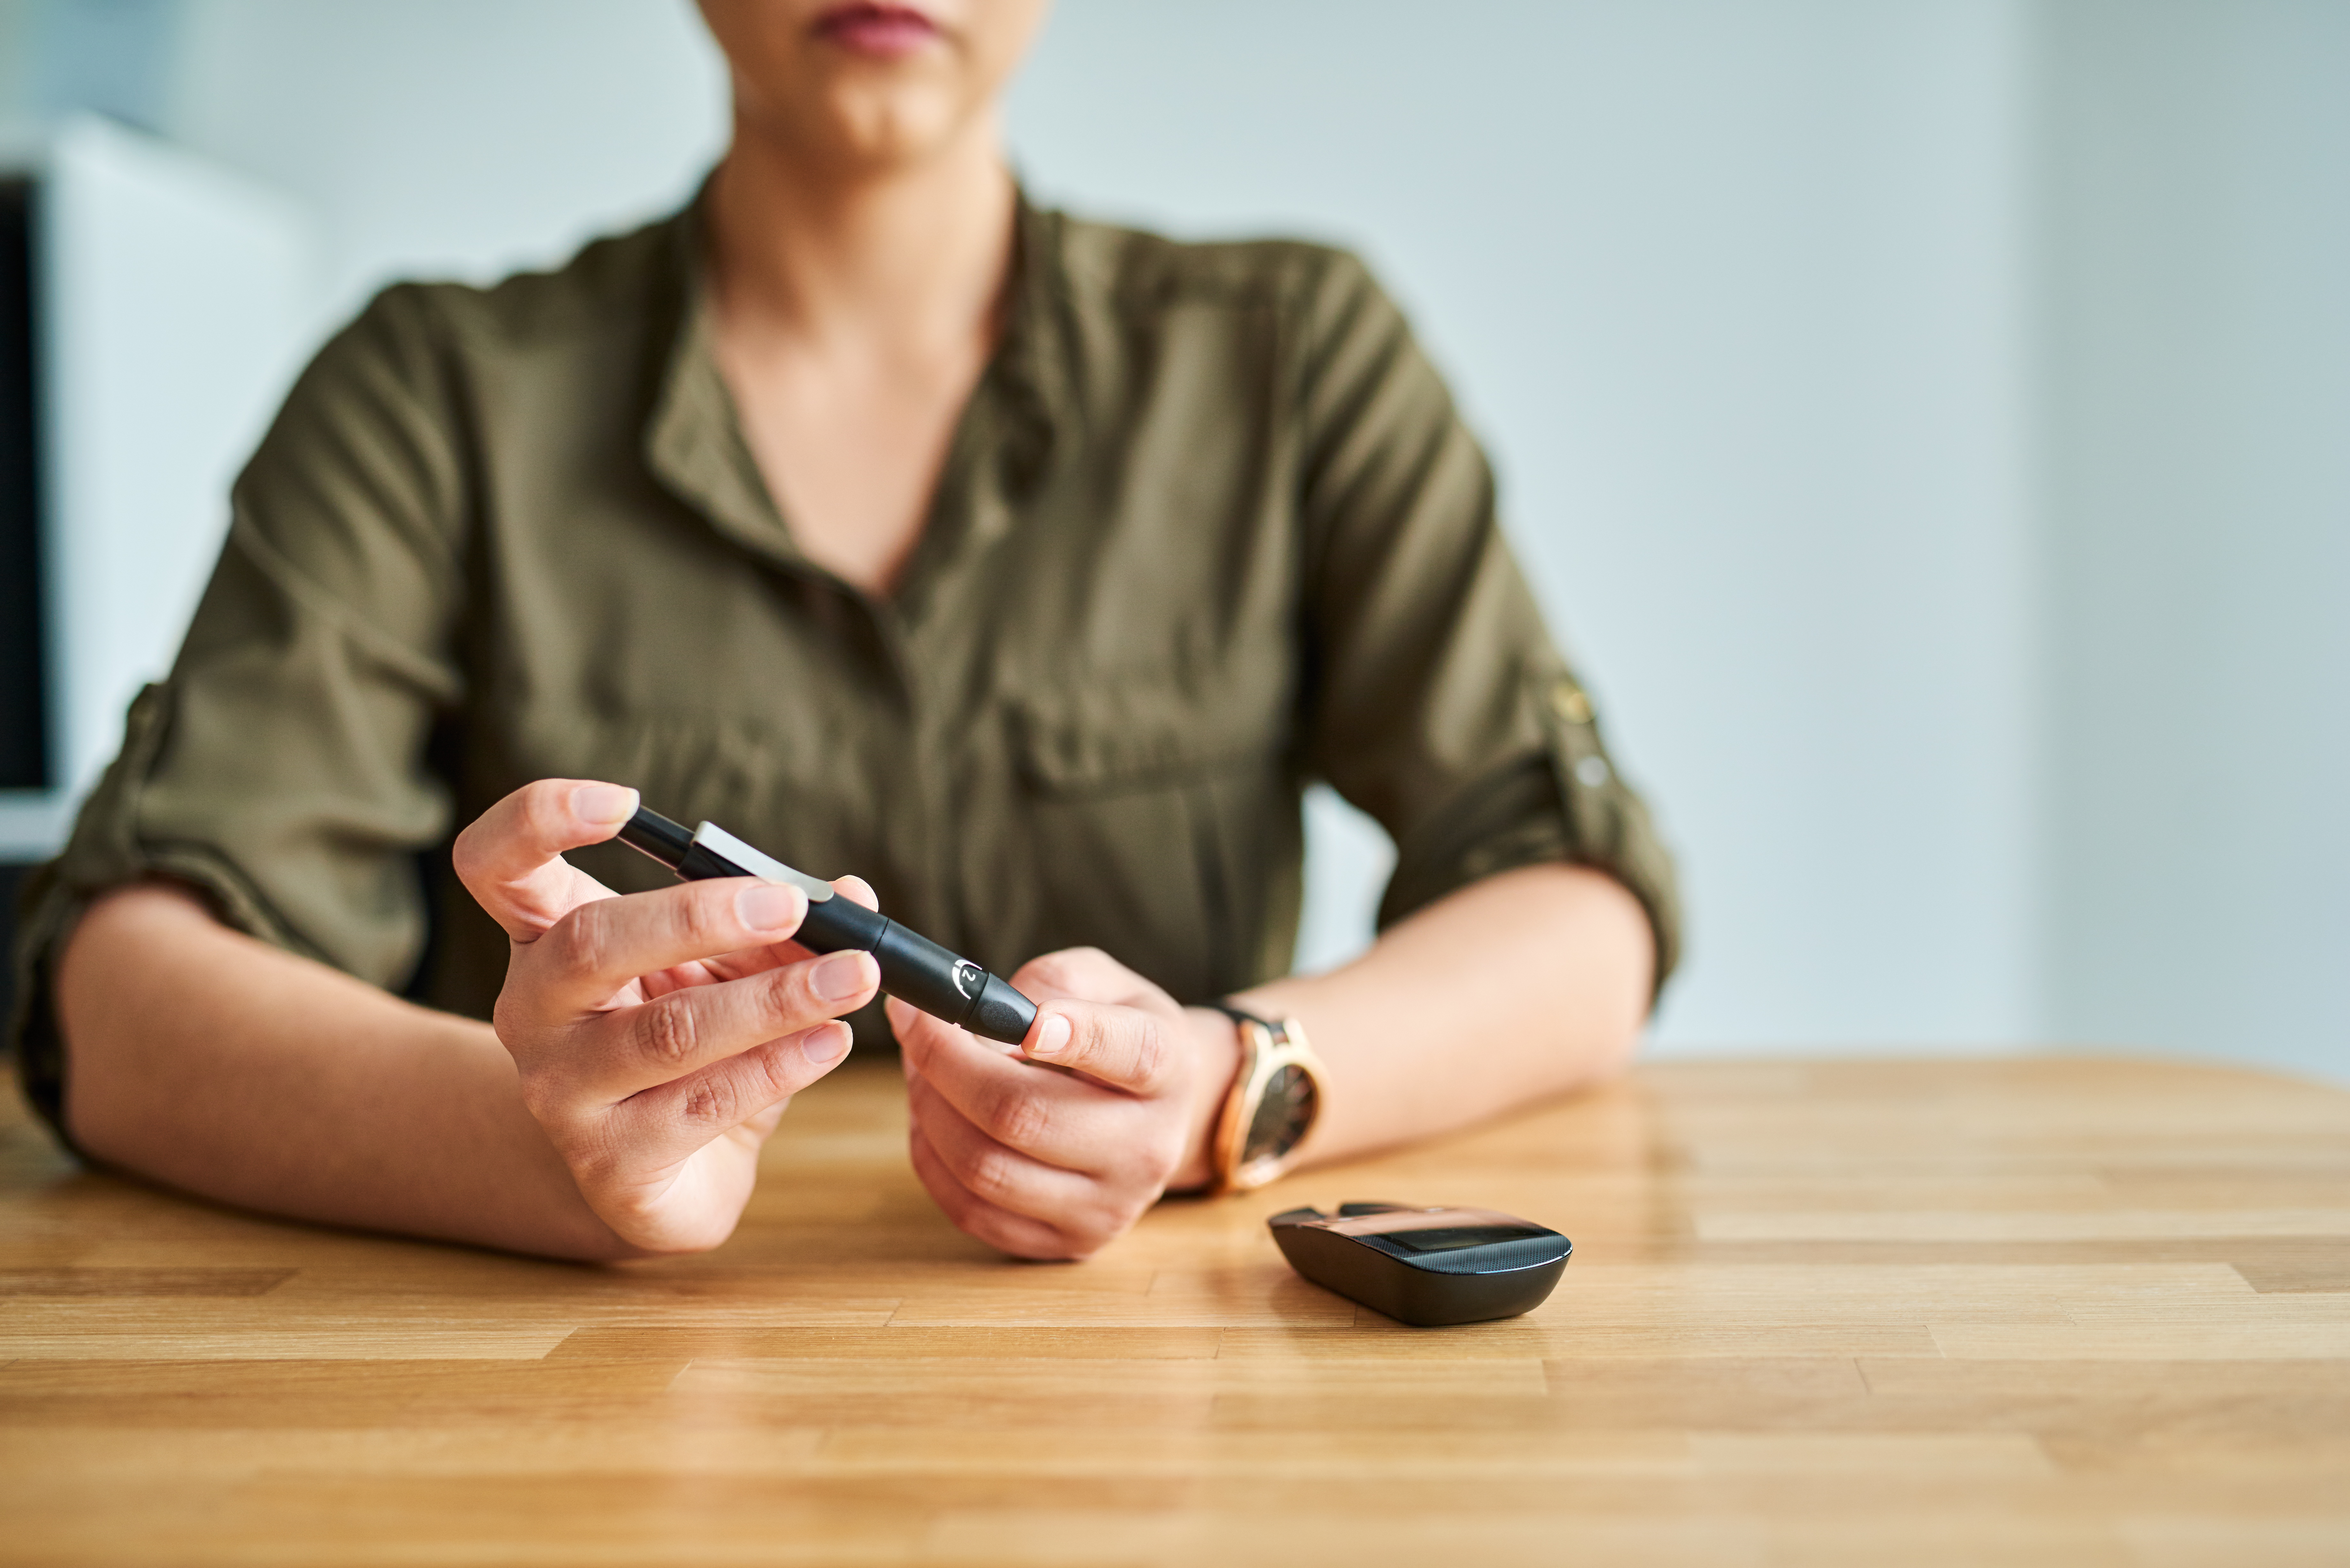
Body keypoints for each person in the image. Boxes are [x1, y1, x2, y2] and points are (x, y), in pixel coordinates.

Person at [6, 0, 1677, 1262]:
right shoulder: (432, 396)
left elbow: (1580, 911)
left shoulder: (1299, 360)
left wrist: (1238, 1085)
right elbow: (117, 999)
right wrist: (564, 1148)